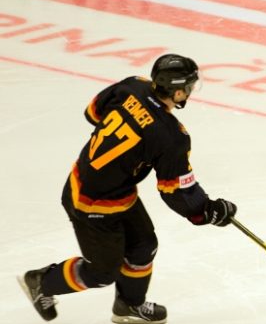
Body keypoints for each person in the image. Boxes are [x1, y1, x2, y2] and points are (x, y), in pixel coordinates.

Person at [18, 54, 238, 323]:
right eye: (190, 86)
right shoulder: (171, 137)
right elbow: (176, 191)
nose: (191, 91)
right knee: (102, 274)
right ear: (178, 91)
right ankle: (42, 282)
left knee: (144, 246)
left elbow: (92, 112)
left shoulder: (133, 85)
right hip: (91, 204)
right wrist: (208, 212)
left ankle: (129, 305)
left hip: (108, 188)